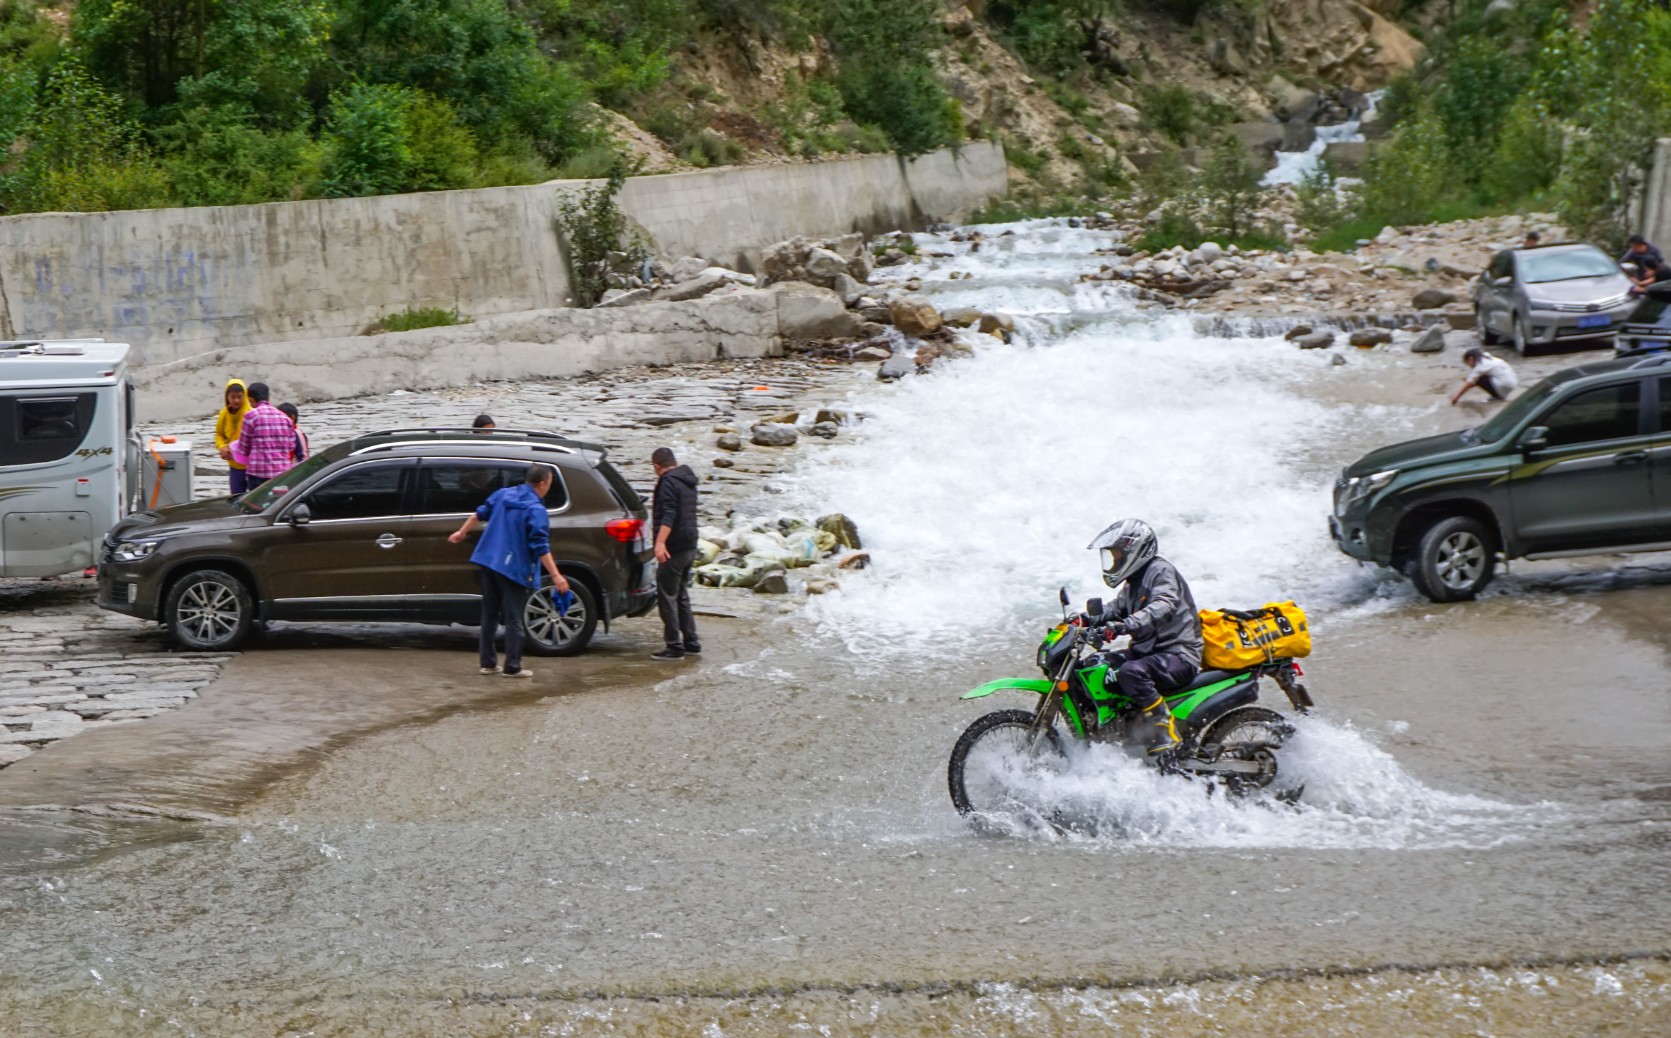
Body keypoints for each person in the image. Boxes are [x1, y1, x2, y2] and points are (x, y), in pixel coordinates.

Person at [1081, 519, 1203, 756]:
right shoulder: (1134, 582)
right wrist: (1083, 620)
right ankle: (1120, 727)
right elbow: (1114, 609)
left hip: (1178, 654)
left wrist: (1126, 625)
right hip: (1150, 652)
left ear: (1133, 551)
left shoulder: (1160, 571)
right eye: (1112, 556)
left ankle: (1164, 726)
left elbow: (1163, 604)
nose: (1114, 561)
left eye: (1117, 555)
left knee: (1131, 672)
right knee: (1097, 666)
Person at [447, 464, 571, 678]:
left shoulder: (503, 494)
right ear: (542, 484)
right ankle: (512, 666)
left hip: (489, 561)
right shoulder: (536, 509)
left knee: (490, 614)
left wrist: (461, 532)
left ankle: (488, 663)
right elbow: (540, 545)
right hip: (513, 568)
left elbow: (479, 514)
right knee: (514, 618)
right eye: (549, 484)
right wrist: (556, 575)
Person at [650, 446, 701, 661]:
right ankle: (691, 641)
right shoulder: (688, 480)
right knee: (681, 594)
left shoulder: (668, 482)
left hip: (674, 546)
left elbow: (669, 514)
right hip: (690, 543)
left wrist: (660, 543)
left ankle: (674, 645)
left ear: (656, 466)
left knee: (667, 596)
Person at [231, 383, 297, 489]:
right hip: (282, 474)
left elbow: (244, 448)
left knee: (258, 504)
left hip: (258, 474)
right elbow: (291, 446)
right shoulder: (285, 418)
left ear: (251, 400)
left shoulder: (250, 416)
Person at [214, 379, 250, 494]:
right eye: (232, 397)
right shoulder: (224, 414)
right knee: (236, 497)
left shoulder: (250, 414)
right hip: (234, 465)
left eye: (239, 397)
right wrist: (222, 447)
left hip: (251, 466)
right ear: (227, 397)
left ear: (244, 396)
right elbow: (219, 434)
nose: (236, 400)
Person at [1450, 346, 1519, 404]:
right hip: (1512, 382)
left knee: (1478, 378)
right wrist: (1470, 383)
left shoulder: (1480, 366)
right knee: (1477, 378)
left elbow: (1471, 381)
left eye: (1467, 363)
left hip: (1504, 384)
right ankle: (1498, 394)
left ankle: (1497, 396)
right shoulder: (1489, 359)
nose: (1469, 366)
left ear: (1470, 359)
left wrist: (1457, 396)